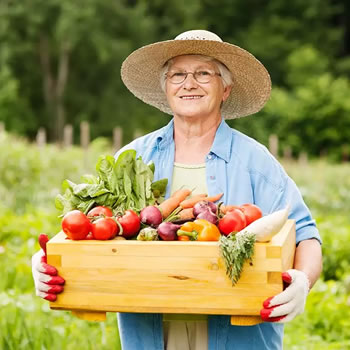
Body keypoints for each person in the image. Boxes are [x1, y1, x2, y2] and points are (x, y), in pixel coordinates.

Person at [32, 29, 322, 349]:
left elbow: (306, 236)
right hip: (151, 333)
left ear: (225, 88)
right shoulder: (135, 158)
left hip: (238, 335)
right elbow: (90, 226)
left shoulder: (255, 162)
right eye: (178, 74)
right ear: (166, 88)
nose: (189, 83)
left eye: (202, 73)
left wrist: (301, 281)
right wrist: (47, 261)